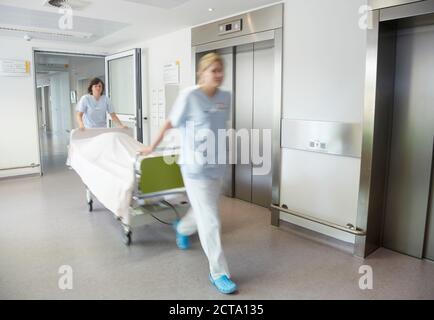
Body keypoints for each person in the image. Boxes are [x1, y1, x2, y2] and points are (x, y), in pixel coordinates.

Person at [140, 53, 237, 294]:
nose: (218, 74)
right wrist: (152, 146)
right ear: (201, 73)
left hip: (217, 166)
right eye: (213, 70)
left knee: (203, 211)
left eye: (220, 70)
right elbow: (169, 123)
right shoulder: (189, 96)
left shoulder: (226, 97)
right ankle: (219, 273)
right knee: (211, 221)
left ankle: (182, 228)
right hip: (195, 169)